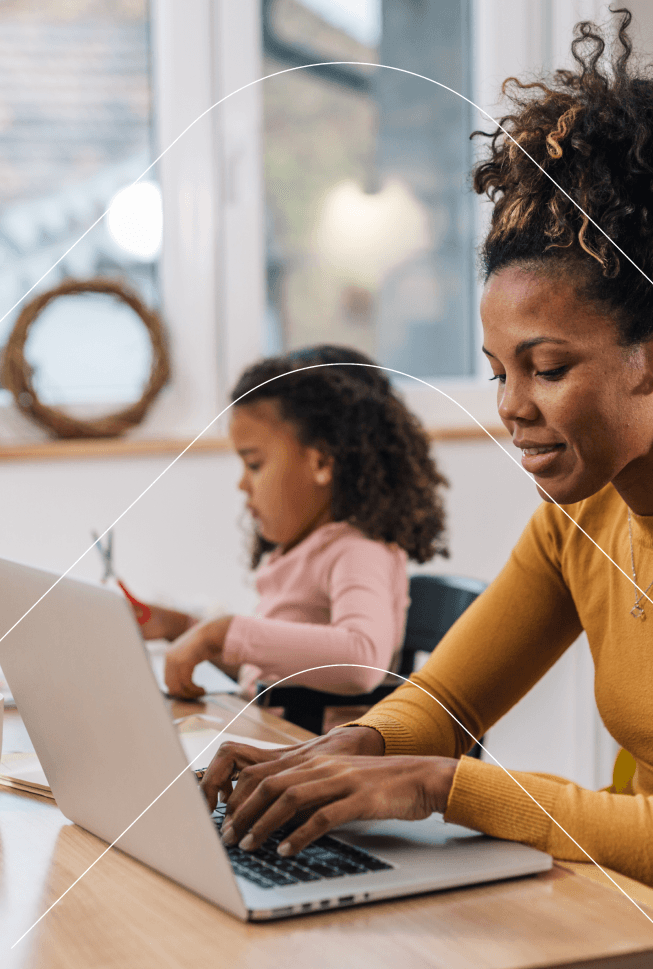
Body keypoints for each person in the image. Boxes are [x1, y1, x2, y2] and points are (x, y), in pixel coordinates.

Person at [196, 8, 653, 887]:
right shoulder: (579, 521)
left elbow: (444, 761)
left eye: (547, 368)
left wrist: (441, 785)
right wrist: (350, 752)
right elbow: (445, 699)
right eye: (497, 373)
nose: (512, 408)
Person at [142, 345, 448, 728]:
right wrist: (182, 629)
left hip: (315, 762)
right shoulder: (304, 550)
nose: (241, 483)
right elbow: (267, 665)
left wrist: (221, 633)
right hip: (272, 742)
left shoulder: (358, 549)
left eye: (254, 464)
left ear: (320, 462)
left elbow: (361, 659)